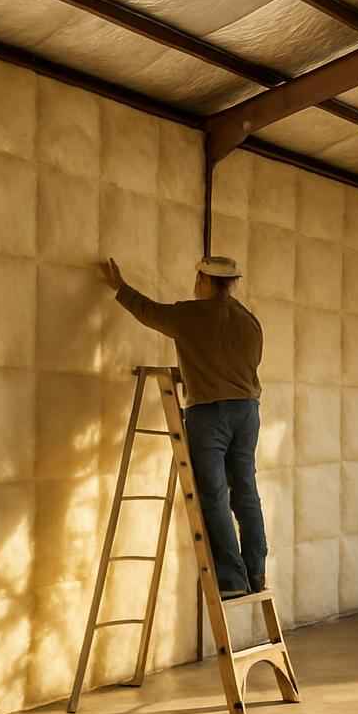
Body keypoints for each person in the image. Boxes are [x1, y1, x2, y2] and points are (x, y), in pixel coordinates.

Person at [102, 255, 265, 601]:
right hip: (248, 411)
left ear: (205, 281)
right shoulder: (250, 322)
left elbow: (148, 312)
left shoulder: (190, 315)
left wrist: (120, 286)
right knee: (246, 492)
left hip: (209, 412)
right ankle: (256, 570)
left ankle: (233, 579)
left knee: (214, 495)